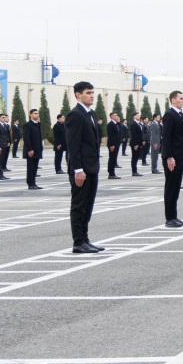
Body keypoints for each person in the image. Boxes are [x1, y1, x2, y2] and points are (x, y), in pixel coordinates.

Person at [65, 81, 105, 254]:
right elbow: (73, 145)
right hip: (81, 169)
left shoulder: (91, 113)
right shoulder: (75, 115)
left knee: (88, 205)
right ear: (78, 95)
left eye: (93, 93)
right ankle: (78, 242)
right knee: (79, 205)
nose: (91, 96)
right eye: (88, 93)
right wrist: (77, 169)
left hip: (92, 166)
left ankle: (85, 239)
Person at [160, 91, 183, 226]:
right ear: (173, 100)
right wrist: (169, 157)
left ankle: (174, 216)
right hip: (172, 157)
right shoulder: (169, 115)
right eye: (181, 98)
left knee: (176, 187)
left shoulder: (180, 114)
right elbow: (166, 137)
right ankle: (169, 218)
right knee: (171, 187)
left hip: (179, 155)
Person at [23, 109, 44, 189]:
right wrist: (29, 149)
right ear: (30, 115)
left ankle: (34, 183)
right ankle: (30, 184)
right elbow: (26, 138)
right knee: (31, 168)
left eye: (38, 113)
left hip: (37, 149)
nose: (37, 115)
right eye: (35, 113)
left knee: (35, 168)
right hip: (31, 150)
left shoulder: (38, 124)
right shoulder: (28, 125)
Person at [0, 113, 13, 180]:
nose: (4, 119)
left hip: (4, 145)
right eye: (2, 118)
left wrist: (8, 142)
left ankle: (1, 174)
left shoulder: (5, 126)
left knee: (2, 160)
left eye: (5, 117)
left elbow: (6, 135)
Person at [105, 112, 123, 179]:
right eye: (116, 115)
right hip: (112, 145)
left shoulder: (116, 124)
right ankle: (111, 174)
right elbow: (110, 135)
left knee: (114, 159)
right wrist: (111, 145)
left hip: (116, 144)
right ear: (112, 117)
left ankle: (112, 173)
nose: (117, 116)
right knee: (112, 159)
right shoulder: (110, 124)